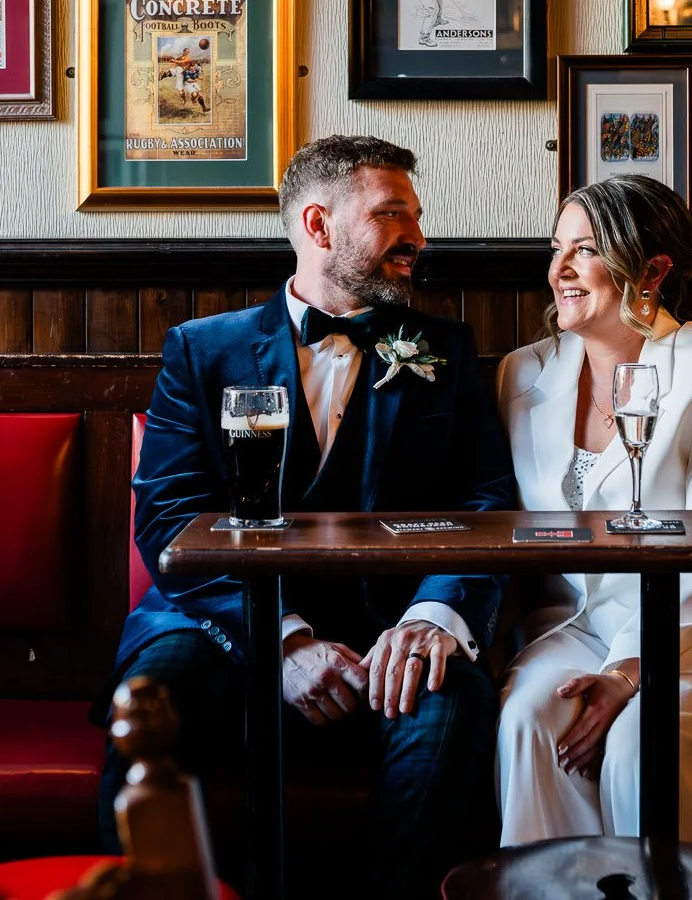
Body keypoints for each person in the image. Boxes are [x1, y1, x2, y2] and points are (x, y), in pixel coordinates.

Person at [105, 135, 515, 897]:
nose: (417, 238)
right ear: (319, 226)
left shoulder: (445, 352)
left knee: (453, 705)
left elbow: (486, 504)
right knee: (155, 699)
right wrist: (283, 640)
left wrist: (434, 614)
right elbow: (167, 518)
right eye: (392, 214)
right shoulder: (203, 350)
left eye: (417, 216)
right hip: (220, 627)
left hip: (393, 631)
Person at [494, 175, 692, 878]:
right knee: (526, 723)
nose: (561, 269)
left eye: (585, 249)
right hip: (574, 628)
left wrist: (631, 669)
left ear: (654, 269)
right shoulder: (522, 375)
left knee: (644, 737)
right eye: (556, 249)